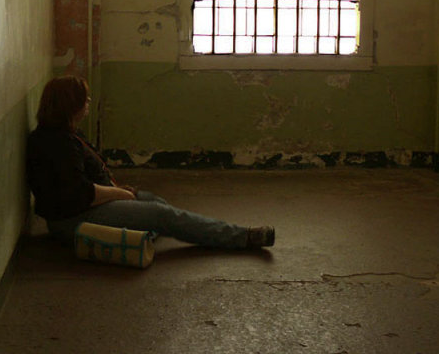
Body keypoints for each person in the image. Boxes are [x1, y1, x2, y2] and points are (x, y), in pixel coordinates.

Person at [26, 75, 275, 250]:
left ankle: (137, 232)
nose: (89, 103)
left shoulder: (65, 133)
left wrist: (120, 193)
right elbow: (82, 194)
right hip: (72, 221)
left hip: (83, 207)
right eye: (85, 99)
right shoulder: (56, 143)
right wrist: (119, 194)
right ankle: (242, 236)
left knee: (157, 203)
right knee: (161, 214)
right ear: (71, 104)